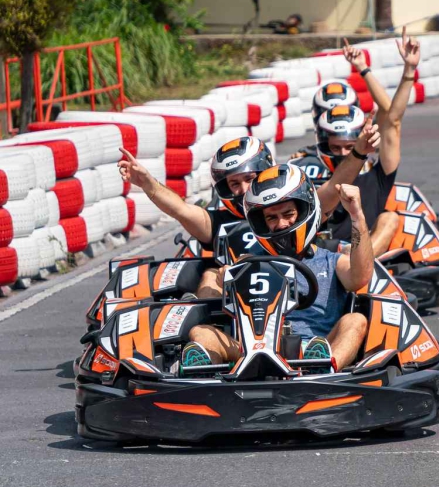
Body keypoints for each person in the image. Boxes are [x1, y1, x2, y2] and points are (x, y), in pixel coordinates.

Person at [118, 127, 373, 299]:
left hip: (303, 276)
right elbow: (181, 210)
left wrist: (359, 153)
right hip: (240, 295)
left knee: (347, 254)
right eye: (234, 184)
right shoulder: (218, 222)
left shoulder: (294, 208)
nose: (243, 191)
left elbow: (333, 187)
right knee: (209, 273)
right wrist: (148, 184)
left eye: (250, 180)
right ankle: (207, 344)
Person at [179, 163, 372, 372]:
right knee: (201, 332)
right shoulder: (250, 262)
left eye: (288, 214)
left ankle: (322, 366)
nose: (281, 225)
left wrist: (357, 217)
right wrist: (227, 275)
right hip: (251, 350)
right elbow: (228, 280)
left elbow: (360, 277)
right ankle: (202, 376)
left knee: (356, 320)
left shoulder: (331, 260)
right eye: (272, 218)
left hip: (313, 346)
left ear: (304, 212)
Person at [328, 30, 421, 253]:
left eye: (349, 147)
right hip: (328, 255)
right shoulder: (318, 178)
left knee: (390, 218)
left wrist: (408, 70)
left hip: (366, 255)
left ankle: (361, 266)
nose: (342, 153)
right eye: (335, 147)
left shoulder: (376, 178)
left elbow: (392, 120)